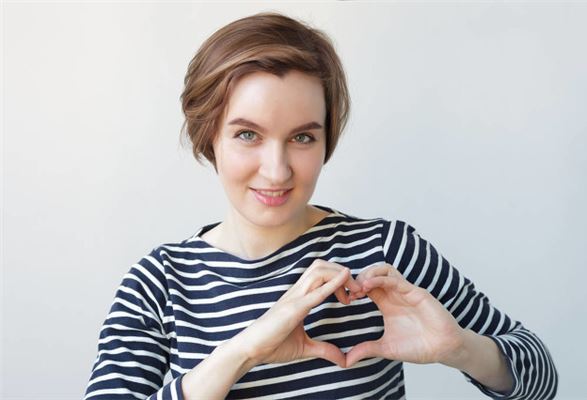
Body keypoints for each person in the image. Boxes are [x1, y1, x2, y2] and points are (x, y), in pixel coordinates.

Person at [84, 12, 558, 400]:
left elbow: (542, 379)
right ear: (209, 136)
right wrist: (242, 352)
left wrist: (460, 349)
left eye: (302, 137)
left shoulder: (384, 251)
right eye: (247, 134)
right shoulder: (159, 284)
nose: (277, 171)